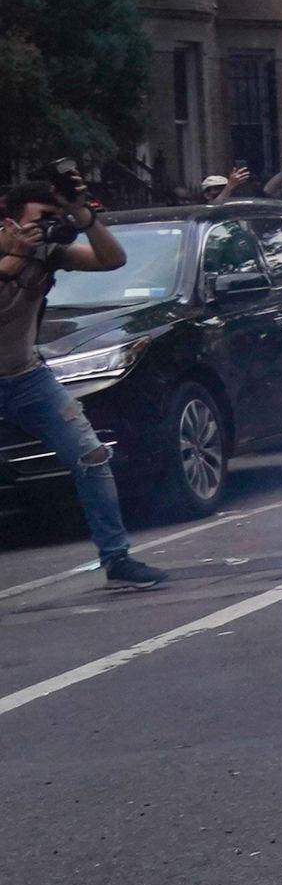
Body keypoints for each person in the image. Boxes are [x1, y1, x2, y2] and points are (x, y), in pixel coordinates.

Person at [0, 178, 170, 588]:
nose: (50, 228)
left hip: (27, 377)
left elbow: (112, 260)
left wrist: (84, 217)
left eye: (54, 220)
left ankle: (117, 559)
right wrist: (17, 256)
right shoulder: (16, 250)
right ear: (9, 222)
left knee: (92, 455)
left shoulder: (49, 252)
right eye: (42, 219)